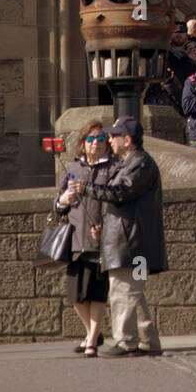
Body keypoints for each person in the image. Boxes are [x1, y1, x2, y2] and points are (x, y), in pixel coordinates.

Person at [63, 116, 168, 358]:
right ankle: (148, 341)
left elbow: (121, 192)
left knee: (123, 292)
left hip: (131, 241)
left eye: (113, 136)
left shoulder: (140, 163)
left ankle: (125, 341)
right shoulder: (129, 162)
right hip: (126, 239)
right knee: (134, 292)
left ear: (128, 140)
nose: (109, 140)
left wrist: (86, 188)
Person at [53, 120, 114, 357]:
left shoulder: (111, 169)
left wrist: (106, 226)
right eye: (91, 140)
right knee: (76, 294)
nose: (95, 144)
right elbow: (57, 205)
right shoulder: (72, 169)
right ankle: (92, 333)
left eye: (100, 140)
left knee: (97, 292)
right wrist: (63, 202)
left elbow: (117, 201)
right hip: (76, 239)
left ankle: (91, 340)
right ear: (82, 144)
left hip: (100, 239)